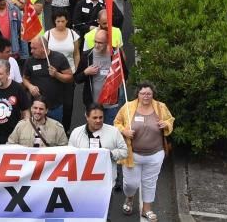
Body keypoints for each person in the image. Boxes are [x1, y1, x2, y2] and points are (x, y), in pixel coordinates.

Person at [115, 83, 175, 221]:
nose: (146, 96)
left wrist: (166, 124)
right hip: (132, 154)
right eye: (143, 93)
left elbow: (170, 120)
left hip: (155, 153)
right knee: (131, 184)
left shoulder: (160, 107)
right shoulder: (128, 107)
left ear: (153, 94)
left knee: (150, 182)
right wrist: (124, 131)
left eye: (149, 93)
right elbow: (116, 122)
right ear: (138, 94)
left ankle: (146, 209)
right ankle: (129, 198)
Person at [75, 28, 126, 126]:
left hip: (111, 104)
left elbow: (125, 74)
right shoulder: (87, 55)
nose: (97, 45)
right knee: (94, 133)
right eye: (95, 41)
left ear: (107, 42)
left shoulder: (115, 54)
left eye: (100, 43)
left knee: (110, 133)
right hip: (94, 105)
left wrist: (116, 76)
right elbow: (77, 78)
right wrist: (86, 72)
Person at [22, 36, 73, 125]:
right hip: (37, 107)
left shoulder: (59, 57)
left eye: (34, 48)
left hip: (55, 106)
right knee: (37, 134)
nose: (31, 51)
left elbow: (70, 78)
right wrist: (30, 87)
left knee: (55, 133)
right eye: (31, 48)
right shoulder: (30, 61)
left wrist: (56, 74)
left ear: (43, 48)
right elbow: (25, 79)